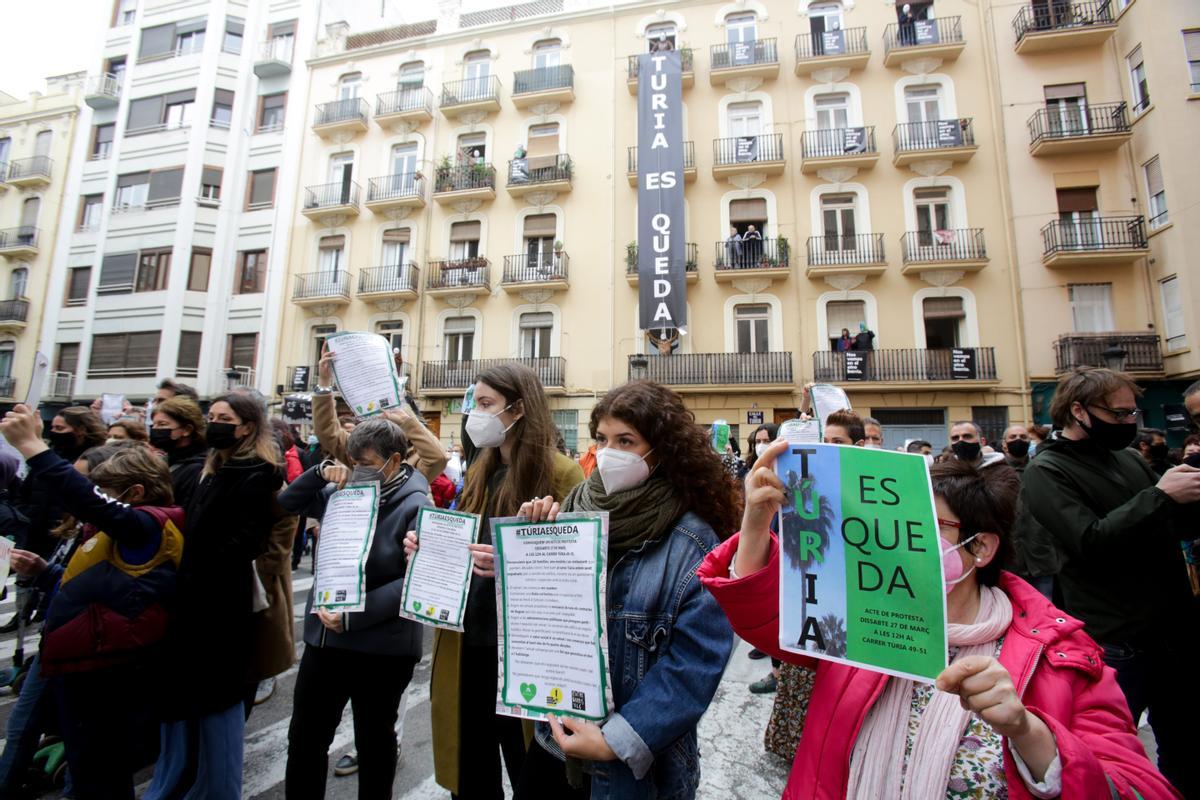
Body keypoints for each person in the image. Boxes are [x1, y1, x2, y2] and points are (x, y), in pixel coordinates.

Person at [701, 449, 1181, 800]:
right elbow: (764, 620)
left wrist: (1030, 733)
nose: (895, 543)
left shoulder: (1063, 656)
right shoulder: (861, 620)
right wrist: (756, 524)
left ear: (981, 547)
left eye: (923, 529)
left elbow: (1140, 788)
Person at [490, 380, 736, 799]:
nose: (609, 452)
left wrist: (616, 740)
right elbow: (547, 618)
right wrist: (529, 548)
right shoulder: (572, 510)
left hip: (633, 768)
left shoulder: (692, 541)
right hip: (553, 744)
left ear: (662, 451)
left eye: (626, 441)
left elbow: (696, 662)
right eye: (602, 439)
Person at [1021, 367, 1199, 797]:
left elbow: (1167, 526)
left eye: (1131, 413)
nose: (1128, 423)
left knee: (1187, 748)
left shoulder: (1128, 458)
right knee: (1110, 752)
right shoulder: (1047, 470)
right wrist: (1159, 496)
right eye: (1118, 414)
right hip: (1116, 639)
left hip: (1172, 631)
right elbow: (1089, 540)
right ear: (1078, 410)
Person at [419, 362, 583, 798]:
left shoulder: (564, 474)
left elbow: (581, 571)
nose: (475, 412)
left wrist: (513, 566)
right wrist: (427, 549)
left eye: (486, 403)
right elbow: (462, 538)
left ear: (519, 409)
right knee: (470, 771)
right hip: (466, 643)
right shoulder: (478, 470)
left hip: (524, 656)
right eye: (475, 402)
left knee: (531, 770)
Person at [1, 407, 182, 799]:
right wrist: (46, 572)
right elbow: (105, 589)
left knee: (100, 777)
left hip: (111, 673)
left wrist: (32, 446)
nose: (86, 500)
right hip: (81, 664)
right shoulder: (107, 527)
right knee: (88, 773)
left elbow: (89, 501)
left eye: (102, 488)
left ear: (133, 493)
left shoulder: (150, 524)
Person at [143, 392, 283, 800]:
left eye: (224, 417)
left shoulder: (260, 472)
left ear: (247, 427)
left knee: (217, 694)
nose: (214, 422)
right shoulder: (214, 465)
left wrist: (200, 565)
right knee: (188, 697)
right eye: (212, 415)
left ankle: (217, 787)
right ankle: (184, 780)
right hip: (192, 595)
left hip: (221, 599)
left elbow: (247, 540)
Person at [281, 418, 431, 799]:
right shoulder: (340, 491)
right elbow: (287, 503)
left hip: (380, 648)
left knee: (374, 743)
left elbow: (420, 578)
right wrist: (319, 473)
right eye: (351, 461)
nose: (356, 469)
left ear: (393, 462)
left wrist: (353, 615)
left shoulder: (417, 504)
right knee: (305, 739)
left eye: (365, 462)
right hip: (325, 643)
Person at [313, 345, 447, 484]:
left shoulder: (416, 459)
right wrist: (324, 383)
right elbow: (327, 431)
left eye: (391, 408)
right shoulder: (359, 446)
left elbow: (438, 458)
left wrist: (407, 422)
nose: (384, 414)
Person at [150, 397, 208, 510]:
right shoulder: (166, 459)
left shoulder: (197, 468)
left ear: (187, 430)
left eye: (162, 424)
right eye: (154, 425)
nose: (155, 429)